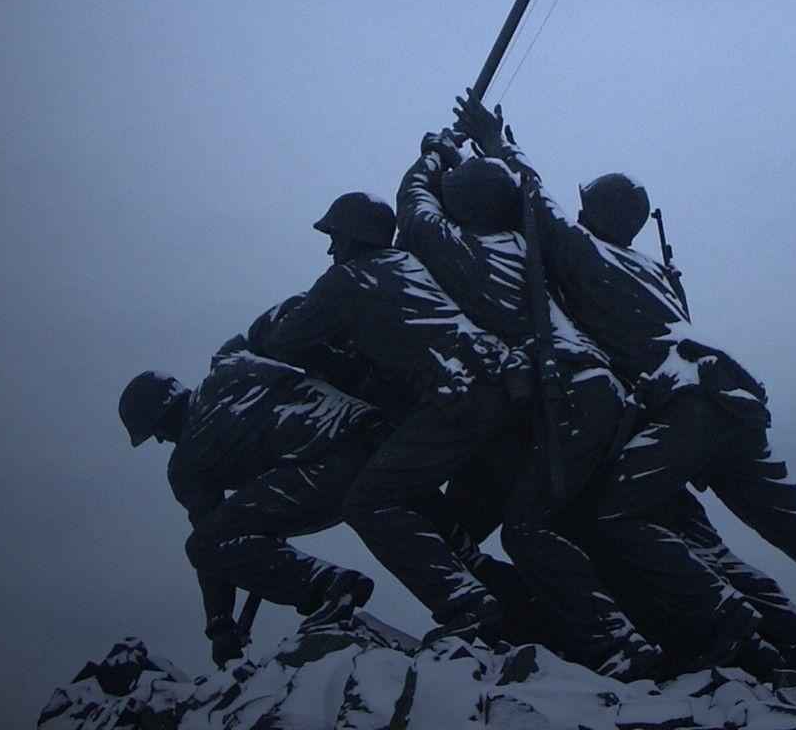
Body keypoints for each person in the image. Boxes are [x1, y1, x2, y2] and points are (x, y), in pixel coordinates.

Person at [455, 97, 796, 695]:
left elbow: (536, 201)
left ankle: (727, 619)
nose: (581, 209)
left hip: (687, 404)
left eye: (588, 202)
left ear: (597, 213)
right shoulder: (650, 272)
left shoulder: (587, 255)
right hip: (731, 399)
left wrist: (493, 143)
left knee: (613, 513)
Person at [396, 130, 661, 680]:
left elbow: (413, 208)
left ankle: (617, 644)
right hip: (584, 395)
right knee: (475, 516)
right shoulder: (529, 243)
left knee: (527, 529)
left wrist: (434, 155)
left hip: (569, 395)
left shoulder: (461, 248)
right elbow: (529, 198)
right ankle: (533, 619)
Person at [246, 190, 527, 645]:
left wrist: (269, 327)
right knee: (442, 522)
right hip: (491, 392)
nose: (331, 249)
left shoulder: (348, 282)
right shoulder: (409, 266)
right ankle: (516, 599)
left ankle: (470, 607)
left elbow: (284, 344)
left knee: (369, 502)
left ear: (354, 239)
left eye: (335, 237)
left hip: (459, 399)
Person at [118, 337, 383, 668]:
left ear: (163, 414)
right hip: (375, 434)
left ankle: (328, 586)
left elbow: (212, 546)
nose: (159, 439)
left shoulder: (186, 462)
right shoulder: (230, 364)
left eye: (154, 431)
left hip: (327, 469)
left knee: (204, 543)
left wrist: (220, 625)